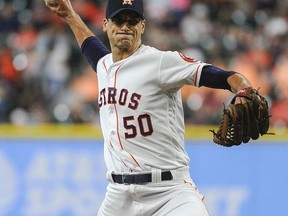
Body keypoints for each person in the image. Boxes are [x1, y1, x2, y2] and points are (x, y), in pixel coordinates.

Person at [45, 0, 253, 215]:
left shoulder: (161, 62)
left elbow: (214, 74)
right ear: (105, 24)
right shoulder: (104, 65)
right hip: (118, 195)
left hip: (170, 192)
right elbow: (91, 48)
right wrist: (70, 15)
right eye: (119, 20)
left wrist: (242, 87)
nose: (125, 26)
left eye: (132, 21)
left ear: (142, 26)